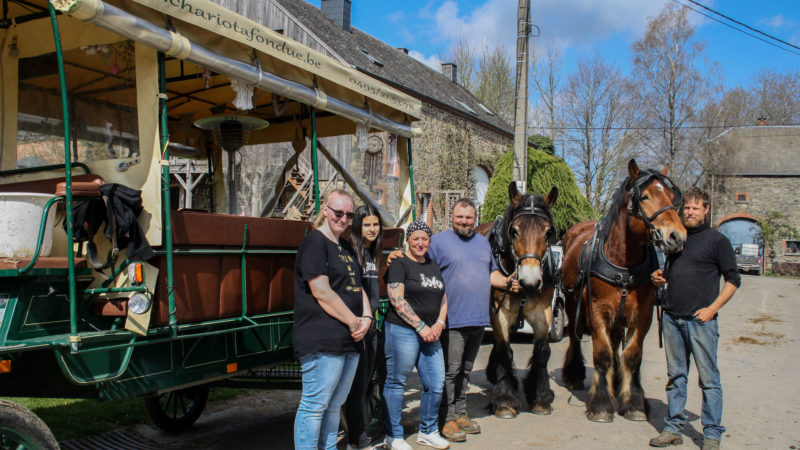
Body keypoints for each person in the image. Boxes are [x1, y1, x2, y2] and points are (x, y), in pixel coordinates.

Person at [649, 187, 740, 450]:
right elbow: (670, 272)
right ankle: (673, 428)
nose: (689, 212)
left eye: (695, 208)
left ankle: (712, 433)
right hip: (672, 319)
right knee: (676, 376)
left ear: (706, 210)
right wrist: (660, 277)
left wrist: (713, 309)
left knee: (709, 379)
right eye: (686, 208)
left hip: (701, 322)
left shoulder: (717, 241)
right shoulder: (679, 238)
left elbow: (733, 279)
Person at [428, 198, 518, 442]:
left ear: (475, 218)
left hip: (478, 318)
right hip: (451, 318)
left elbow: (491, 274)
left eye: (468, 218)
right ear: (451, 215)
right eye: (460, 217)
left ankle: (461, 412)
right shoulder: (438, 242)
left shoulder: (482, 243)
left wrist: (508, 281)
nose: (464, 221)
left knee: (466, 370)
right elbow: (420, 268)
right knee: (451, 370)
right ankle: (446, 419)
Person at [293, 190, 372, 450]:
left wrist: (367, 317)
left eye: (349, 215)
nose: (343, 219)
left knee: (334, 405)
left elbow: (358, 287)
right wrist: (353, 321)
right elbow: (321, 290)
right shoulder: (314, 243)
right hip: (322, 339)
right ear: (325, 210)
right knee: (315, 405)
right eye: (338, 213)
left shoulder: (346, 245)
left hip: (350, 340)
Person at [383, 221, 450, 450]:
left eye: (425, 239)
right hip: (403, 330)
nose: (420, 243)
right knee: (396, 382)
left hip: (432, 333)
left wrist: (440, 323)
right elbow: (396, 299)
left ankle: (428, 431)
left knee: (436, 383)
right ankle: (394, 436)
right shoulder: (400, 264)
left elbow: (442, 297)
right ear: (408, 240)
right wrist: (420, 326)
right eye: (416, 238)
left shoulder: (433, 265)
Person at [343, 205, 383, 450]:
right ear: (358, 226)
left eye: (376, 224)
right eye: (367, 224)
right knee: (356, 389)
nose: (372, 229)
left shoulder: (373, 252)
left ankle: (357, 436)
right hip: (357, 327)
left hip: (372, 327)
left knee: (364, 385)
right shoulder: (351, 251)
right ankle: (357, 439)